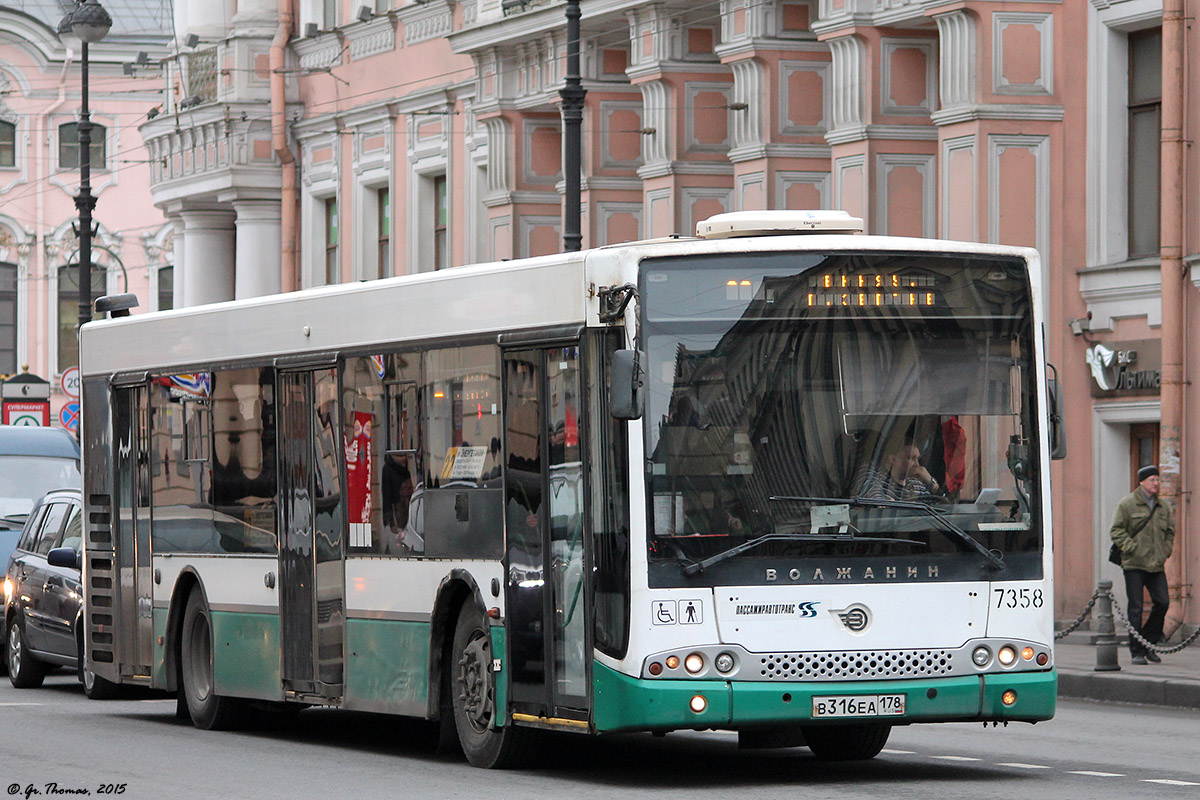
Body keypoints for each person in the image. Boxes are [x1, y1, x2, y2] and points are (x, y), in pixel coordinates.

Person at [1109, 464, 1175, 665]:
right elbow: (1116, 530)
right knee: (1136, 608)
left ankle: (1149, 643)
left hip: (1156, 565)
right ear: (1142, 482)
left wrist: (1165, 551)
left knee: (1163, 603)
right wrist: (1132, 548)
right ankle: (1136, 651)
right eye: (1152, 480)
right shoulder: (1127, 504)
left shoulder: (1162, 506)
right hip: (1134, 564)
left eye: (1157, 480)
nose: (1156, 483)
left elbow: (1170, 532)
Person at [854, 439, 941, 501]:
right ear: (893, 459)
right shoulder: (874, 475)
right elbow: (873, 496)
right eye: (911, 458)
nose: (917, 464)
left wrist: (932, 484)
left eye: (917, 459)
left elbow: (942, 508)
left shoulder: (916, 484)